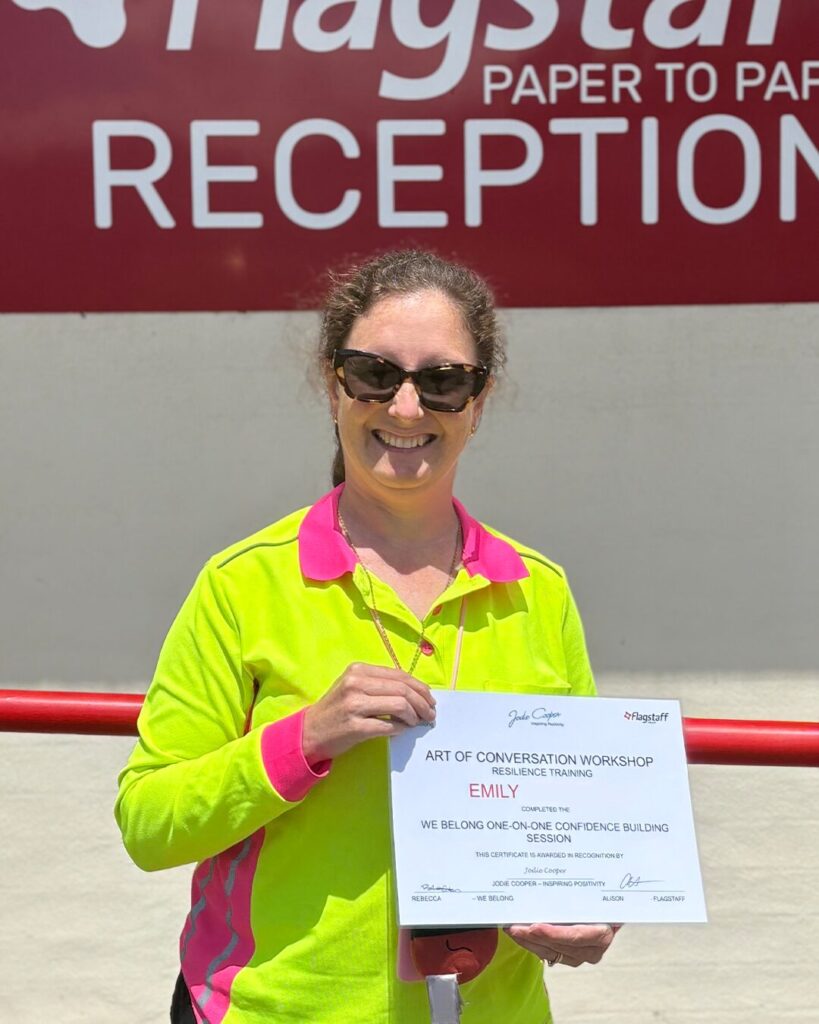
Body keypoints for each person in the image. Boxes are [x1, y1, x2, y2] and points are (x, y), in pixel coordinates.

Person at [115, 250, 616, 1024]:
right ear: (333, 385)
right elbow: (149, 823)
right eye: (374, 374)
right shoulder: (242, 583)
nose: (406, 408)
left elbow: (580, 826)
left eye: (442, 381)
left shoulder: (538, 590)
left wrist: (592, 900)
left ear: (478, 401)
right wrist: (304, 738)